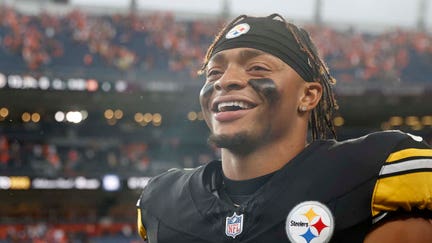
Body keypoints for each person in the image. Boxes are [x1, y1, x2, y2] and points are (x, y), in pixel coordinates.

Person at [136, 13, 432, 242]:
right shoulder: (162, 201)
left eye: (257, 68)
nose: (225, 81)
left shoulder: (375, 173)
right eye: (214, 71)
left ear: (307, 95)